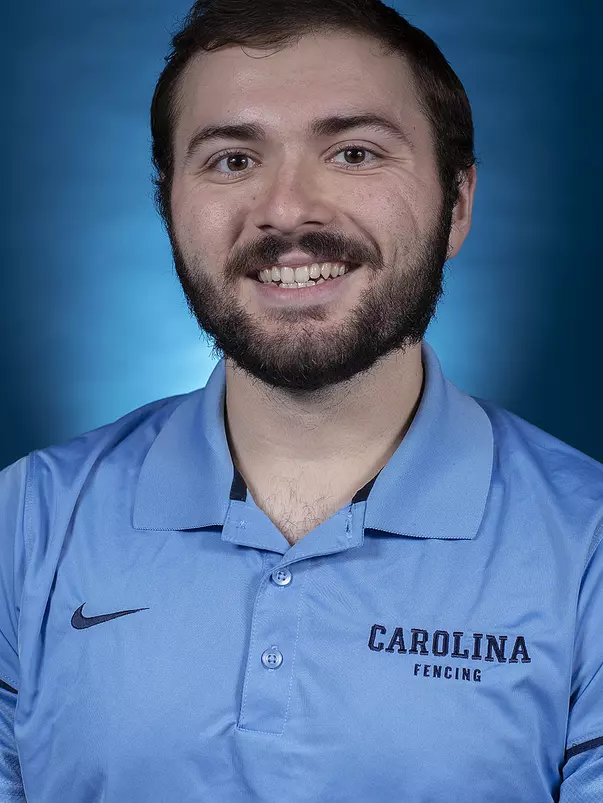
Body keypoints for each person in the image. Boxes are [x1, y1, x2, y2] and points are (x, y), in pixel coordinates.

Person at [1, 0, 601, 800]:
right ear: (168, 204)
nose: (285, 210)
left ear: (456, 205)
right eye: (231, 161)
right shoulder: (27, 521)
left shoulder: (588, 547)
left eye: (353, 153)